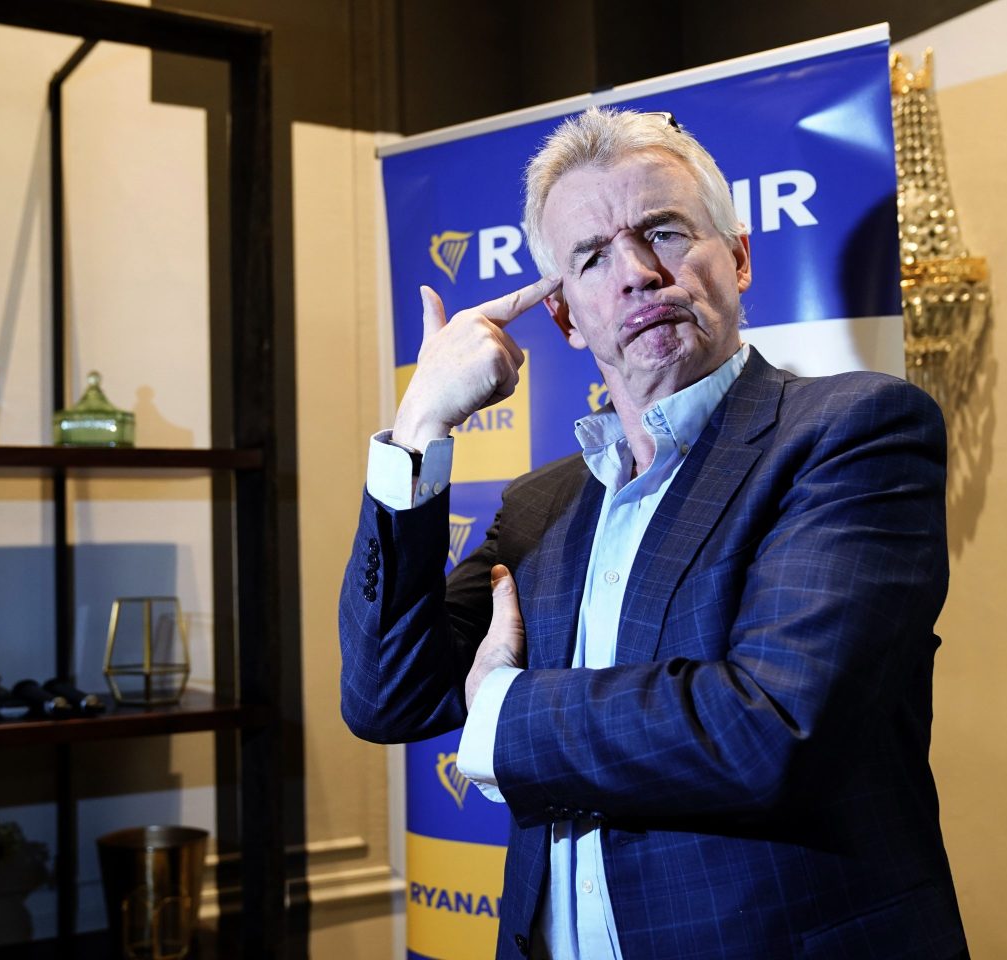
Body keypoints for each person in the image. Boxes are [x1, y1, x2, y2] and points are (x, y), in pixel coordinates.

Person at [340, 106, 966, 960]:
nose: (636, 273)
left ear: (739, 259)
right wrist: (418, 429)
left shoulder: (852, 434)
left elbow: (774, 729)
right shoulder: (539, 507)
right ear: (565, 318)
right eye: (592, 257)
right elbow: (388, 695)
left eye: (664, 232)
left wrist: (502, 713)